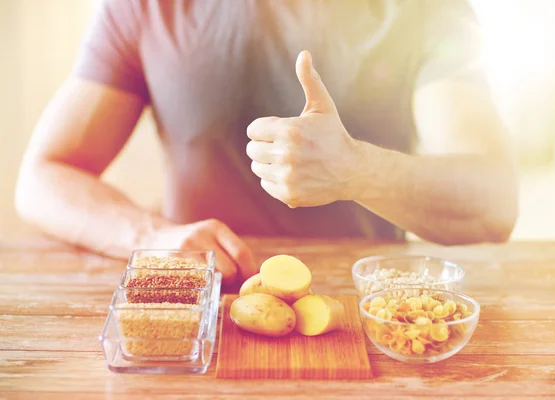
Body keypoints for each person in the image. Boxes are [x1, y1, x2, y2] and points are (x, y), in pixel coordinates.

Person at [15, 0, 518, 285]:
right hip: (202, 300)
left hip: (365, 308)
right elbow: (43, 177)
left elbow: (493, 203)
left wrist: (355, 170)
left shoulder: (428, 11)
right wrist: (149, 237)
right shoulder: (144, 7)